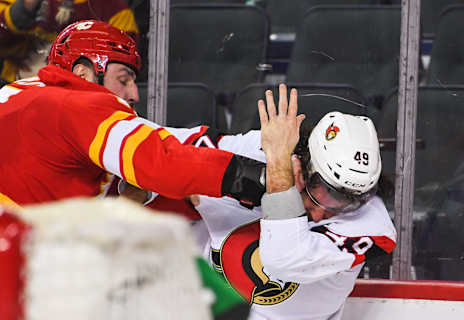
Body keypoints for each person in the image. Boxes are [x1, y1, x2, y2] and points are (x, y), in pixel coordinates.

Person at [144, 84, 397, 319]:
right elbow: (155, 151)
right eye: (319, 195)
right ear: (305, 165)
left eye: (345, 203)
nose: (319, 216)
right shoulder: (257, 149)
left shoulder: (373, 225)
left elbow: (283, 260)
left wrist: (278, 175)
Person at [0, 20, 265, 209]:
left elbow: (157, 141)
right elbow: (162, 162)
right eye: (124, 78)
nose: (134, 94)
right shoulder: (78, 105)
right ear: (84, 73)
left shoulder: (26, 89)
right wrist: (261, 179)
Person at [0, 0, 139, 82]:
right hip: (20, 92)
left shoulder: (114, 9)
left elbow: (124, 67)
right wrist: (25, 7)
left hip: (81, 104)